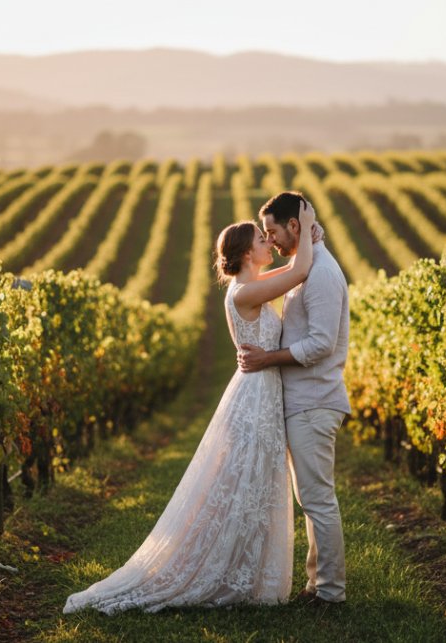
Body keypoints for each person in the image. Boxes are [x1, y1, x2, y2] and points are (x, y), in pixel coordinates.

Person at [62, 200, 318, 614]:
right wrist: (305, 225)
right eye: (260, 238)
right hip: (254, 397)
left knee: (253, 486)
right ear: (244, 253)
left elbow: (291, 271)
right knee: (243, 485)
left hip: (260, 392)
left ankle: (247, 573)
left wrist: (309, 238)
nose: (268, 241)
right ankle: (227, 574)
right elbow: (301, 271)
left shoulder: (251, 284)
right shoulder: (247, 292)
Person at [238, 191, 351, 606]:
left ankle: (331, 593)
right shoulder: (307, 265)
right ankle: (315, 585)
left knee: (319, 501)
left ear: (295, 226)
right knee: (310, 500)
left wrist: (268, 358)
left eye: (273, 231)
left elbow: (321, 343)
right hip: (303, 401)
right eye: (264, 234)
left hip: (315, 401)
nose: (273, 241)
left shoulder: (320, 273)